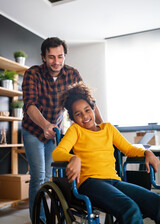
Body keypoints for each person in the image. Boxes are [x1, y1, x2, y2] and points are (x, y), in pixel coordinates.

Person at [52, 82, 160, 224]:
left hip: (114, 181)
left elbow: (128, 149)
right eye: (78, 114)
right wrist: (73, 158)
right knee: (130, 208)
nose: (85, 116)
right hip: (89, 183)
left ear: (93, 109)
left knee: (156, 202)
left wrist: (147, 153)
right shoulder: (75, 130)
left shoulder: (109, 129)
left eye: (87, 110)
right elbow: (58, 152)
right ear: (73, 119)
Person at [22, 37, 103, 222]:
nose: (56, 62)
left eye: (60, 56)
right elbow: (30, 105)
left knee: (50, 176)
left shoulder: (72, 74)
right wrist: (44, 125)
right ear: (43, 57)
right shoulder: (32, 73)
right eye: (51, 57)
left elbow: (89, 101)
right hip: (33, 130)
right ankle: (39, 219)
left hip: (55, 132)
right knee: (38, 175)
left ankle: (50, 214)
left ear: (64, 55)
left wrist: (102, 126)